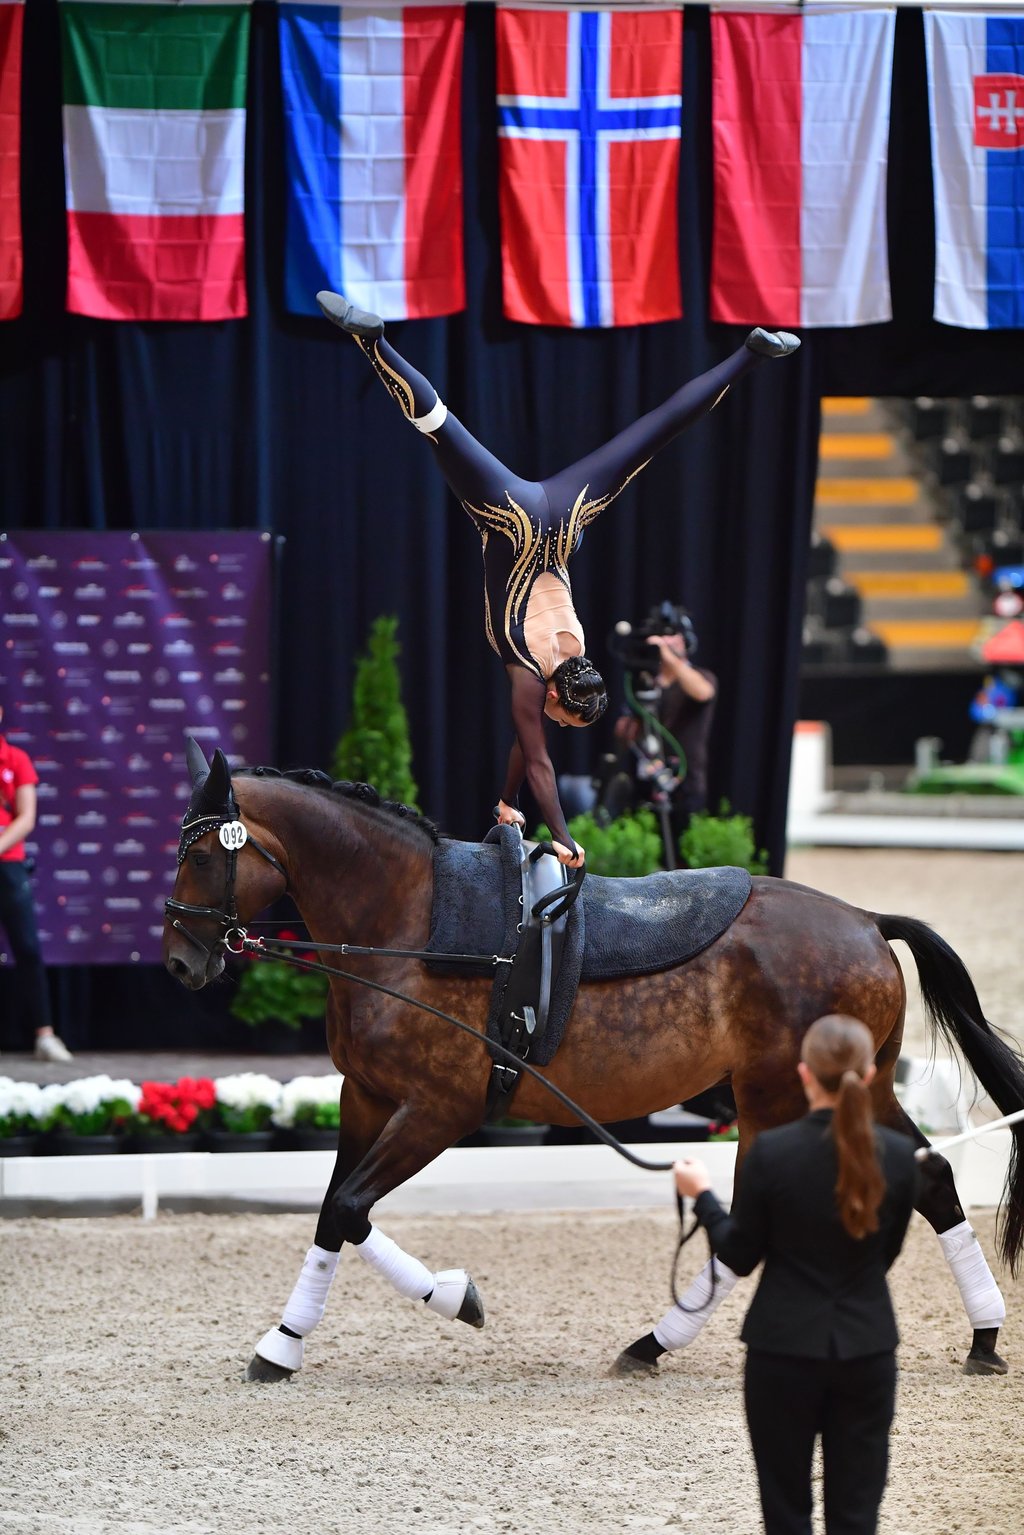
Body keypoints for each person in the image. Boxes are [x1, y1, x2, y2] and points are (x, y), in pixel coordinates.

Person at [317, 290, 799, 866]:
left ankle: (750, 352)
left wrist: (505, 799)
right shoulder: (525, 675)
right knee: (435, 425)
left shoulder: (577, 655)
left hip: (564, 517)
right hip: (512, 519)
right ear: (551, 693)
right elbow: (538, 758)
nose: (552, 723)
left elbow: (529, 744)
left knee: (656, 431)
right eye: (560, 716)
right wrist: (565, 838)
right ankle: (373, 342)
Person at [670, 1015, 917, 1535]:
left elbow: (739, 1255)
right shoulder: (898, 1158)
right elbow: (883, 1257)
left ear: (805, 1074)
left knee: (786, 1512)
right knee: (856, 1513)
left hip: (782, 1349)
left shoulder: (773, 1154)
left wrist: (705, 1200)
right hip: (867, 1347)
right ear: (870, 1074)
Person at [0, 704, 73, 1061]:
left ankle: (45, 1035)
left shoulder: (15, 759)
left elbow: (26, 818)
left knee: (27, 948)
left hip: (8, 867)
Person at [613, 619, 717, 840]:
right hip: (645, 784)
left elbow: (703, 692)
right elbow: (626, 733)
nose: (665, 642)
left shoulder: (700, 676)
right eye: (661, 637)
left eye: (672, 636)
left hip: (686, 786)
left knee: (684, 861)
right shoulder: (647, 685)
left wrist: (668, 656)